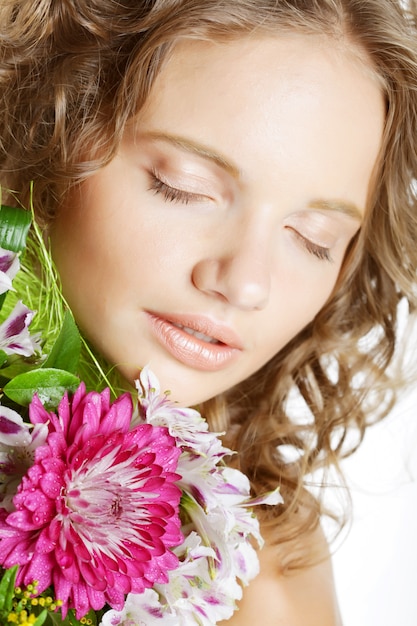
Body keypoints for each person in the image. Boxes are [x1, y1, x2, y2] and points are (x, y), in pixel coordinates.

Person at [1, 1, 417, 624]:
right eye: (183, 186)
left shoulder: (256, 585)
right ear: (48, 126)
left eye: (313, 238)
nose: (245, 284)